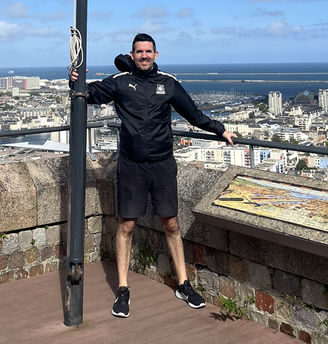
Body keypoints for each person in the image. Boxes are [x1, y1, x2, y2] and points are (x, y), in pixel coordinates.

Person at [70, 33, 236, 318]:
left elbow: (193, 114)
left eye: (148, 51)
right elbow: (91, 95)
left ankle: (183, 283)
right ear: (132, 54)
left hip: (162, 163)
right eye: (139, 52)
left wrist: (220, 130)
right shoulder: (121, 80)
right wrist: (76, 80)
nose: (144, 56)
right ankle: (122, 289)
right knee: (126, 226)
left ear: (156, 55)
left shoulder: (168, 83)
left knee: (171, 223)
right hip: (131, 164)